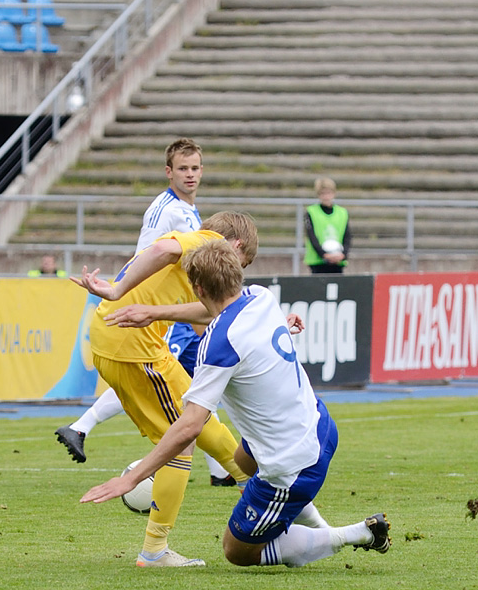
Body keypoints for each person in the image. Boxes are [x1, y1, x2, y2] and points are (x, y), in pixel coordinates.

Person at [81, 240, 392, 568]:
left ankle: (356, 533)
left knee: (237, 551)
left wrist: (131, 478)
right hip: (320, 423)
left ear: (197, 288)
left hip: (294, 463)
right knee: (243, 461)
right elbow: (213, 310)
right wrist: (155, 313)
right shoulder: (260, 296)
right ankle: (311, 522)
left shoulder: (218, 346)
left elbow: (189, 426)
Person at [70, 211, 259, 567]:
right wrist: (116, 289)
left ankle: (249, 483)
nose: (237, 272)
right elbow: (163, 251)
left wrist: (156, 312)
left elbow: (209, 312)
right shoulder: (205, 241)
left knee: (199, 413)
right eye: (243, 261)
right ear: (235, 245)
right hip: (131, 346)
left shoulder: (201, 254)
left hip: (133, 342)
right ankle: (154, 550)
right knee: (181, 439)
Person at [54, 138, 235, 485]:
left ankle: (221, 471)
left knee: (189, 387)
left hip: (153, 310)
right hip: (147, 312)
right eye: (183, 169)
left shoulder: (181, 209)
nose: (190, 175)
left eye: (195, 168)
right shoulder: (173, 212)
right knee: (182, 399)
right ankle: (224, 472)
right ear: (169, 172)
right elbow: (160, 253)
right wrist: (127, 292)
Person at [304, 177, 351, 274]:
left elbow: (347, 236)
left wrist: (343, 254)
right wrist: (324, 254)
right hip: (317, 261)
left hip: (338, 260)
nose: (326, 197)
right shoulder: (311, 212)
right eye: (323, 193)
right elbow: (311, 236)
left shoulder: (342, 213)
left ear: (334, 193)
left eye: (328, 193)